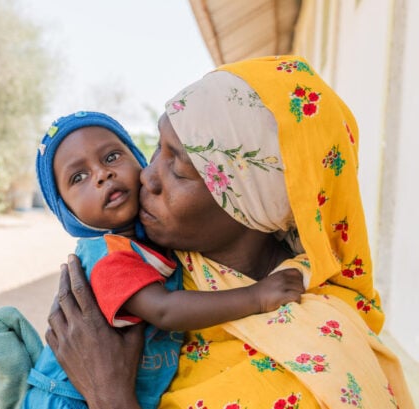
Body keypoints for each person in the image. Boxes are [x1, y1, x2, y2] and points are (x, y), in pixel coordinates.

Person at [47, 56, 415, 408]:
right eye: (158, 149)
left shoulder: (316, 361)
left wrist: (109, 395)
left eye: (179, 169)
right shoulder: (155, 267)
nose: (147, 177)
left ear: (249, 203)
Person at [26, 111, 304, 409]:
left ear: (138, 161)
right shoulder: (108, 257)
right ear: (68, 212)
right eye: (78, 177)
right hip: (68, 399)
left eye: (111, 157)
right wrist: (256, 297)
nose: (102, 174)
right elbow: (164, 311)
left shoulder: (152, 238)